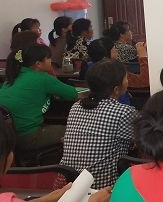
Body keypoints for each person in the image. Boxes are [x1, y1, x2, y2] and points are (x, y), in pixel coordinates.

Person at [59, 59, 136, 189]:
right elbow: (139, 141)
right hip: (102, 188)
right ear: (116, 89)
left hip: (68, 185)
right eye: (126, 78)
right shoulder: (123, 112)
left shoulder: (76, 106)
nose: (128, 81)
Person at [0, 44, 78, 151]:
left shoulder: (12, 76)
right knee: (76, 131)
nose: (51, 61)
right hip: (28, 136)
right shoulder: (43, 78)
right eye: (48, 58)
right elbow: (72, 93)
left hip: (6, 136)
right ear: (38, 64)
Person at [81, 37, 149, 89]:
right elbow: (144, 81)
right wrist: (143, 56)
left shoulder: (89, 66)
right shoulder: (114, 70)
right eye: (114, 49)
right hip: (120, 102)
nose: (116, 51)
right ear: (106, 56)